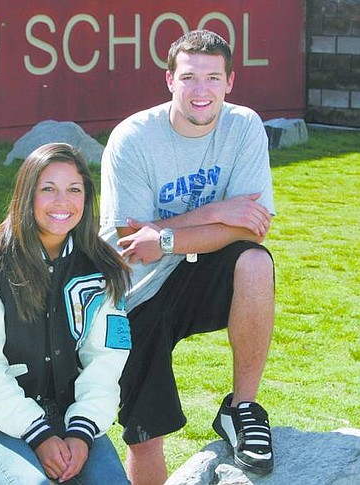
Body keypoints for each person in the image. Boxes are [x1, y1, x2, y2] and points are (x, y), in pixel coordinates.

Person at [99, 29, 276, 484]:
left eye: (213, 78)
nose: (202, 91)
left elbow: (250, 226)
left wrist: (168, 238)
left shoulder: (244, 127)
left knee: (255, 261)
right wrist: (216, 211)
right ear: (170, 80)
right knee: (146, 431)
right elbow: (130, 240)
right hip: (135, 290)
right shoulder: (133, 138)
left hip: (193, 266)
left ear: (230, 82)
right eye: (190, 77)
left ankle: (243, 408)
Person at [0, 142, 133, 484]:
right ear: (26, 195)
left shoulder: (102, 267)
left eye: (74, 189)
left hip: (72, 418)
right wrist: (40, 435)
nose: (63, 202)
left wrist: (81, 432)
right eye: (49, 189)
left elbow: (107, 360)